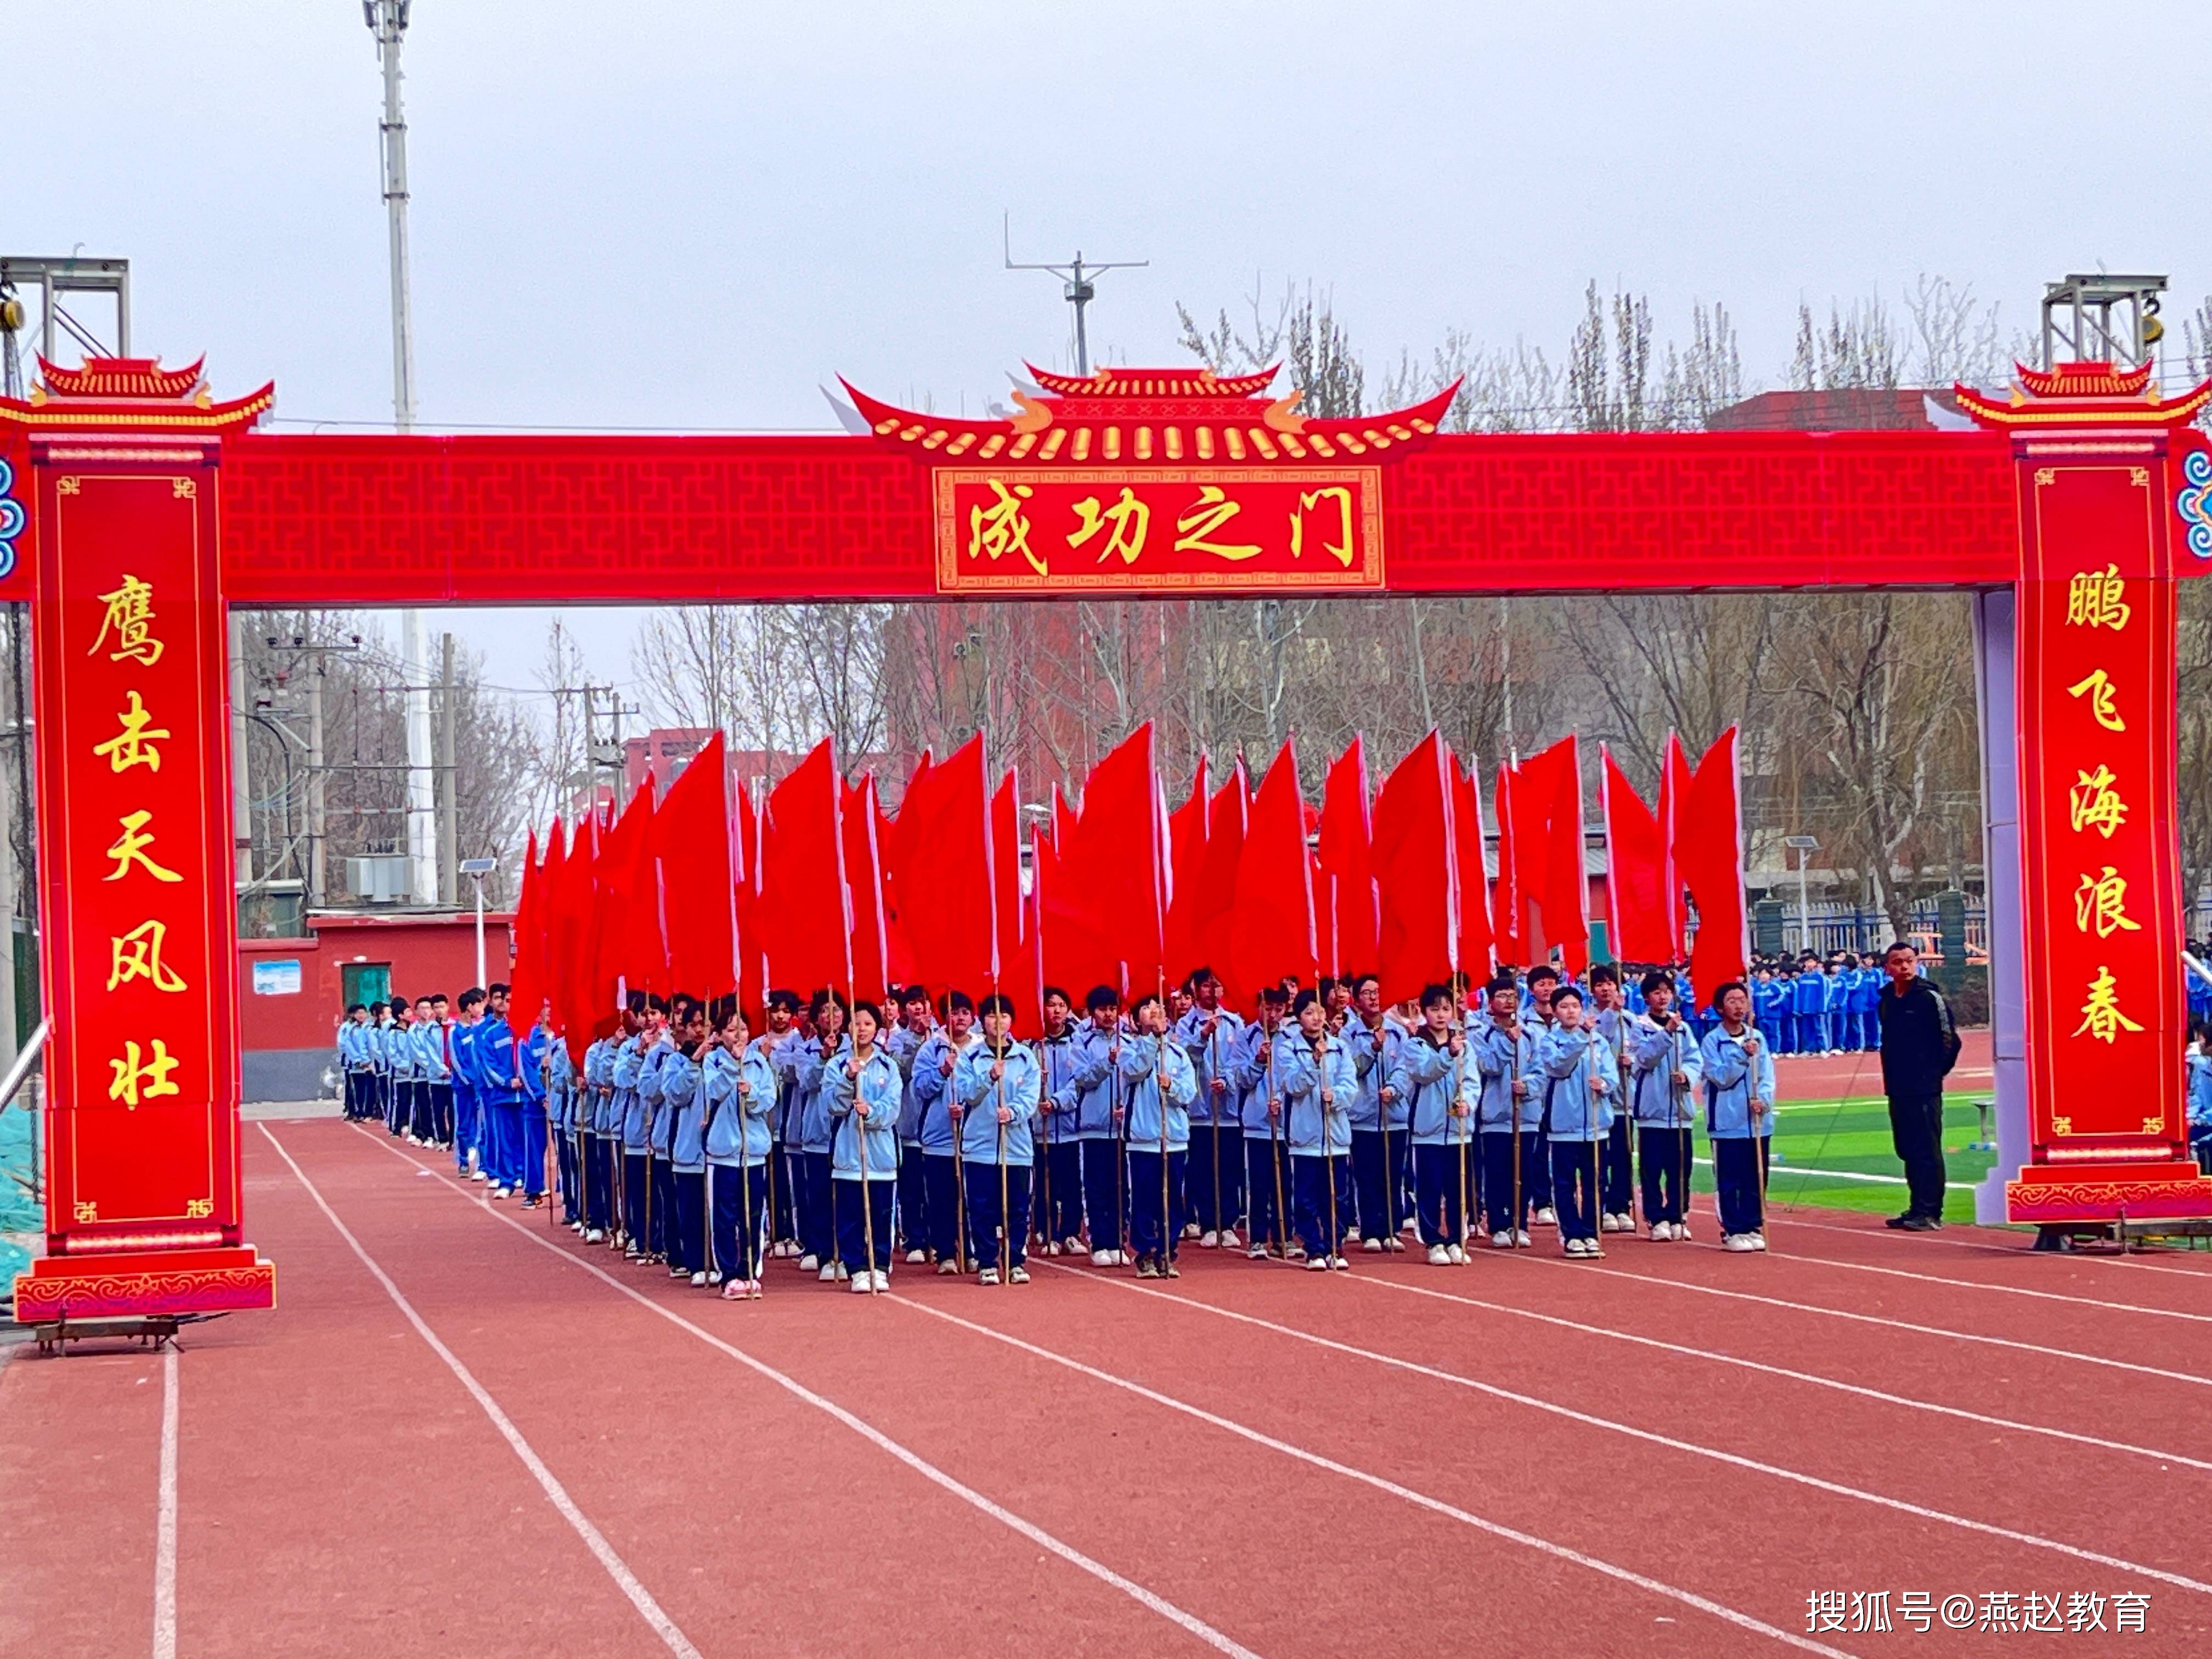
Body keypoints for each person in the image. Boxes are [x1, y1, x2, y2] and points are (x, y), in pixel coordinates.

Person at [957, 992, 1042, 1284]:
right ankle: (986, 1262)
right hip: (979, 1146)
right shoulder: (971, 1056)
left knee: (1017, 1207)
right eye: (992, 1015)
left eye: (1004, 1015)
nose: (998, 1021)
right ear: (983, 1021)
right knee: (981, 1207)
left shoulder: (1026, 1057)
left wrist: (1014, 1112)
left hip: (1016, 1146)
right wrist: (989, 1078)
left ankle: (1015, 1260)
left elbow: (1031, 1098)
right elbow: (967, 1093)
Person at [1874, 941, 1960, 1231]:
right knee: (1907, 1148)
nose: (1904, 967)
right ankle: (1916, 1207)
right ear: (1888, 967)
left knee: (1927, 1149)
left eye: (1909, 961)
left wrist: (1934, 1074)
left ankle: (1931, 1210)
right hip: (1898, 1086)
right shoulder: (1887, 999)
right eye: (1898, 962)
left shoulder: (1928, 998)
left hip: (1924, 1087)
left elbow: (1950, 1040)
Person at [1395, 984, 1478, 1263]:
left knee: (1459, 1187)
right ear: (1424, 1012)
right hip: (1427, 1129)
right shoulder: (1415, 1044)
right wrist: (1447, 1055)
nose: (1441, 1015)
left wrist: (1469, 1101)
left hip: (1459, 1131)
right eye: (1435, 1009)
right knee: (1429, 1187)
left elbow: (1472, 1080)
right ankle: (1433, 1241)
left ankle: (1456, 1238)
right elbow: (1424, 1073)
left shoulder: (1463, 1044)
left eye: (1446, 1009)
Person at [1272, 989, 1355, 1271]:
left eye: (1320, 1012)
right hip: (1305, 1135)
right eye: (1309, 1012)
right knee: (1306, 1196)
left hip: (1336, 1135)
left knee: (1337, 1194)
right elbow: (1293, 1085)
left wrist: (1338, 1097)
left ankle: (1336, 1243)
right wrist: (1313, 1062)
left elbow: (1350, 1085)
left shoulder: (1340, 1047)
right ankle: (1313, 1247)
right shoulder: (1287, 1048)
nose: (1316, 1018)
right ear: (1299, 1017)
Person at [824, 999, 902, 1293]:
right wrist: (848, 1079)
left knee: (882, 1214)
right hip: (848, 1154)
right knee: (850, 1215)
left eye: (868, 1024)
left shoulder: (888, 1066)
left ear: (877, 1029)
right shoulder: (836, 1065)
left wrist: (870, 1112)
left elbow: (893, 1107)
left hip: (881, 1155)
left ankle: (880, 1265)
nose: (862, 1029)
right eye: (857, 1023)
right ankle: (856, 1267)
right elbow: (831, 1105)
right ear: (848, 1028)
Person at [1121, 991, 1198, 1278]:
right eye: (1148, 1007)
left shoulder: (1179, 1055)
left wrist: (1172, 1087)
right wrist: (1152, 1041)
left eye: (1160, 1008)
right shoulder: (1130, 1050)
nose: (1154, 1012)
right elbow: (1135, 1071)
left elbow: (1189, 1093)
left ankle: (1168, 1250)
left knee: (1171, 1198)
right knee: (1144, 1198)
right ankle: (1144, 1252)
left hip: (1174, 1138)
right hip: (1144, 1138)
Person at [1540, 985, 1619, 1259]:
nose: (1571, 1011)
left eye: (1575, 1006)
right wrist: (1580, 1038)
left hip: (1596, 1124)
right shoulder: (1551, 1041)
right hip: (1564, 1124)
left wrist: (1605, 1084)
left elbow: (1613, 1076)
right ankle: (1572, 1234)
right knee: (1564, 1183)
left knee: (1595, 1181)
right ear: (1555, 1011)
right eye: (1564, 1006)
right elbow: (1559, 1067)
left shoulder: (1599, 1042)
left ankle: (1591, 1231)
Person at [704, 1001, 775, 1299]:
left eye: (743, 1029)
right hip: (723, 1153)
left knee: (753, 1214)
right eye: (731, 1030)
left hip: (754, 1152)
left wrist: (752, 1094)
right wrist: (732, 1069)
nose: (738, 1035)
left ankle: (751, 1269)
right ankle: (728, 1274)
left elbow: (768, 1100)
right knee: (723, 1216)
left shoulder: (760, 1064)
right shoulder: (713, 1062)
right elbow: (713, 1090)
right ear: (720, 1034)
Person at [1700, 981, 1776, 1251]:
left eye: (1742, 1000)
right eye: (1732, 1000)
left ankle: (1752, 1223)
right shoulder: (1712, 1041)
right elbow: (1720, 1078)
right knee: (1730, 1177)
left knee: (1755, 1175)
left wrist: (1764, 1101)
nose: (1739, 1005)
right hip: (1727, 1122)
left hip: (1756, 1123)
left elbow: (1767, 1075)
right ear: (1720, 1007)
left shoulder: (1757, 1037)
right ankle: (1732, 1228)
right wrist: (1742, 1057)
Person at [1627, 970, 1701, 1240]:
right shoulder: (1640, 1026)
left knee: (1680, 1167)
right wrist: (1665, 1035)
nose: (1663, 997)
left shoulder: (1683, 1027)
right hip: (1653, 1111)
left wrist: (1689, 1076)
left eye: (1667, 991)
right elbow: (1643, 1060)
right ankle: (1656, 1217)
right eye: (1657, 992)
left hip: (1680, 1110)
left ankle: (1678, 1215)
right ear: (1647, 997)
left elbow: (1695, 1058)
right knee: (1652, 1167)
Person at [1174, 968, 1245, 1250]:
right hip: (1200, 1111)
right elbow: (1184, 1058)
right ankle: (1207, 1223)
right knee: (1203, 1170)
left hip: (1227, 1110)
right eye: (1206, 986)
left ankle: (1228, 1223)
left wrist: (1227, 1080)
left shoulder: (1235, 1023)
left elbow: (1241, 1060)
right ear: (1195, 989)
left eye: (1216, 986)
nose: (1211, 991)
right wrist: (1202, 1036)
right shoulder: (1185, 1024)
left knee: (1230, 1168)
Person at [913, 990, 981, 1273]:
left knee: (974, 1198)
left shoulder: (982, 1048)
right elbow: (920, 1088)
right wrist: (942, 1072)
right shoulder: (931, 1049)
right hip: (939, 1138)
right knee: (941, 1199)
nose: (960, 1018)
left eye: (965, 1012)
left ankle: (974, 1250)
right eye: (954, 1012)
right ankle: (945, 1253)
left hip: (976, 1138)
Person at [1472, 976, 1541, 1248]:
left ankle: (1519, 1222)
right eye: (1501, 995)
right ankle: (1499, 1224)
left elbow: (1541, 1070)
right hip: (1496, 1117)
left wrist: (1529, 1087)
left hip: (1525, 1116)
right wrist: (1506, 1043)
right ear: (1491, 1002)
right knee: (1498, 1172)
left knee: (1523, 1173)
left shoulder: (1530, 1035)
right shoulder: (1481, 1035)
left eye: (1512, 995)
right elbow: (1487, 1067)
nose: (1508, 1000)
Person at [1344, 972, 1409, 1252]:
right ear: (1357, 1000)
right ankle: (1370, 1228)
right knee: (1367, 1176)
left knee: (1393, 1175)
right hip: (1363, 1118)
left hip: (1393, 1117)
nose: (1374, 998)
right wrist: (1371, 1049)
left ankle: (1391, 1228)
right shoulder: (1348, 1034)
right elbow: (1350, 1070)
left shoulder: (1399, 1031)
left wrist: (1394, 1089)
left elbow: (1407, 1068)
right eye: (1368, 993)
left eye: (1378, 992)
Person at [1068, 986, 1128, 1266]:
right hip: (1094, 1125)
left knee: (1121, 1186)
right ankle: (1099, 1241)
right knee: (1097, 1186)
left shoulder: (1128, 1037)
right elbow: (1082, 1077)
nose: (1109, 1015)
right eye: (1103, 1009)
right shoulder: (1081, 1041)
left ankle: (1118, 1240)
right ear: (1093, 1012)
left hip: (1123, 1126)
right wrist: (1108, 1062)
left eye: (1113, 1009)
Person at [792, 992, 850, 1279]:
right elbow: (807, 1082)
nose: (832, 1016)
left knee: (848, 1198)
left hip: (850, 1135)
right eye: (825, 1011)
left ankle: (851, 1252)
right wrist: (824, 1057)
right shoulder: (806, 1050)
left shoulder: (858, 1047)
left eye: (837, 1009)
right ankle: (826, 1253)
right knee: (820, 1196)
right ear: (815, 1018)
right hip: (818, 1134)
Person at [1235, 986, 1293, 1259]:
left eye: (1279, 1009)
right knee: (1258, 1183)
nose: (1273, 1014)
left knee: (1286, 1183)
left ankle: (1285, 1236)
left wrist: (1282, 1099)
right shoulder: (1246, 1037)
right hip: (1258, 1123)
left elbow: (1296, 1076)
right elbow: (1241, 1079)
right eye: (1268, 1008)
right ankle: (1257, 1238)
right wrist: (1258, 1061)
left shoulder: (1293, 1037)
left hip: (1288, 1123)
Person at [1035, 986, 1086, 1254]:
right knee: (1044, 1182)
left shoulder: (1077, 1043)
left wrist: (1056, 1102)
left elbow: (1078, 1082)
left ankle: (1070, 1232)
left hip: (1069, 1127)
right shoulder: (1030, 1044)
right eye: (1051, 1004)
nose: (1056, 1010)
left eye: (1061, 1005)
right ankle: (1047, 1232)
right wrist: (1038, 1095)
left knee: (1071, 1182)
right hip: (1039, 1128)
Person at [1587, 966, 1637, 1233]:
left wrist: (1634, 1062)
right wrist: (1612, 1013)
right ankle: (1603, 1206)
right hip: (1598, 1102)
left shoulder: (1630, 1020)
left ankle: (1621, 1205)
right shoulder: (1589, 1019)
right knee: (1600, 1158)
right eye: (1600, 984)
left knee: (1623, 1156)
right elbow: (1599, 1042)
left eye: (1610, 984)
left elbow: (1643, 1050)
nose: (1606, 989)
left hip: (1624, 1100)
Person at [887, 986, 934, 1262]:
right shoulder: (895, 1041)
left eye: (923, 1003)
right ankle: (915, 1239)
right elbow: (904, 1071)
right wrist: (919, 1040)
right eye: (913, 1003)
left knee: (937, 1189)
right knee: (912, 1188)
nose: (918, 1009)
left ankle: (938, 1238)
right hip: (909, 1127)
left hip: (939, 1132)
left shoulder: (943, 1039)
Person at [662, 1012, 711, 1283]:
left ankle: (719, 1261)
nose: (699, 1030)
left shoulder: (721, 1061)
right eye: (693, 1025)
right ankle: (695, 1263)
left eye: (705, 1024)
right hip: (688, 1146)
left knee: (719, 1211)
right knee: (691, 1210)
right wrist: (694, 1063)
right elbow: (676, 1095)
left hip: (720, 1148)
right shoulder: (676, 1061)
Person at [452, 989, 488, 1182]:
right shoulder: (456, 1031)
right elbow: (456, 1061)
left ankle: (483, 1164)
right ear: (469, 1007)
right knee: (465, 1124)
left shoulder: (480, 1029)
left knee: (483, 1125)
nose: (483, 1008)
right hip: (464, 1087)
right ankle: (464, 1160)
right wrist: (468, 1080)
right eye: (479, 1004)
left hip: (481, 1086)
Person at [338, 1005, 374, 1121]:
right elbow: (346, 1045)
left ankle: (368, 1112)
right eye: (358, 1013)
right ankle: (356, 1111)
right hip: (356, 1064)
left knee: (370, 1088)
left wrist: (369, 1061)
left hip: (370, 1064)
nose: (361, 1016)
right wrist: (358, 1059)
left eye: (363, 1013)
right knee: (357, 1088)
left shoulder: (370, 1027)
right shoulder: (349, 1029)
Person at [2188, 1023, 2212, 1176]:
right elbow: (2195, 1095)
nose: (2199, 1044)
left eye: (2201, 1040)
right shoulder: (2201, 1065)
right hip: (2204, 1125)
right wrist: (2190, 1117)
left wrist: (2202, 1119)